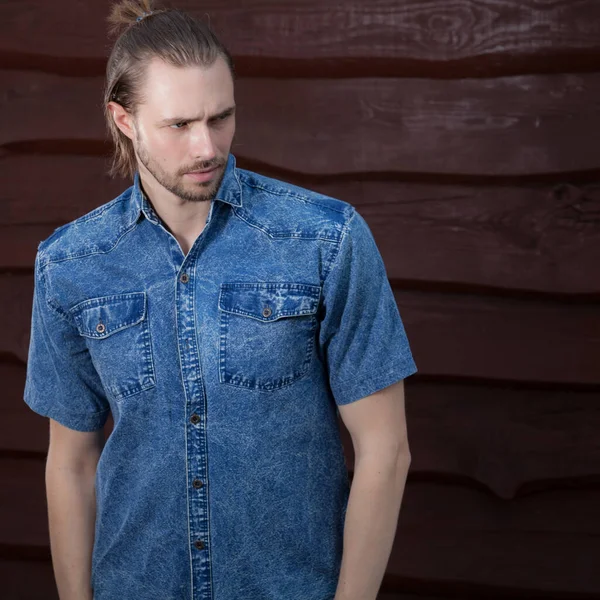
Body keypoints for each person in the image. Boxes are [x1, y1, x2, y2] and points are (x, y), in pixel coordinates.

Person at [23, 1, 418, 599]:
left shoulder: (326, 240)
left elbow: (385, 449)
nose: (207, 147)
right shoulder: (70, 264)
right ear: (123, 119)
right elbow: (71, 463)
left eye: (221, 117)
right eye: (179, 125)